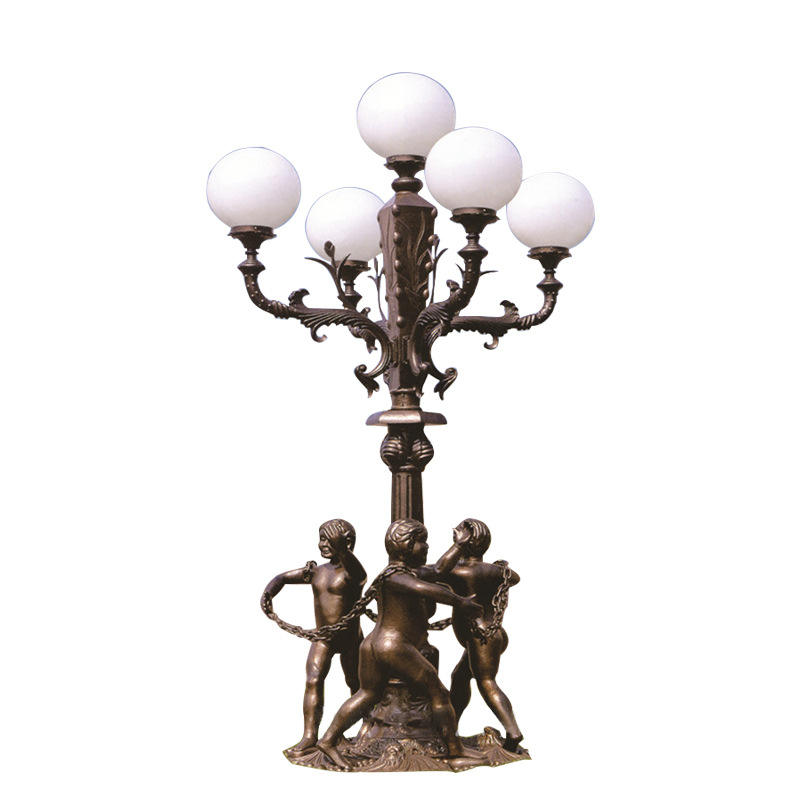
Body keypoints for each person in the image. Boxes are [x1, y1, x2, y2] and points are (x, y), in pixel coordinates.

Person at [316, 519, 486, 771]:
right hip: (392, 646)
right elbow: (425, 589)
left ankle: (328, 740)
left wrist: (459, 546)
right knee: (438, 693)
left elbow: (439, 569)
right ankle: (454, 750)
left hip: (372, 646)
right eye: (421, 542)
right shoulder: (397, 577)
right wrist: (461, 602)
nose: (426, 547)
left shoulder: (402, 572)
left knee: (367, 694)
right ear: (407, 546)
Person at [262, 519, 366, 755]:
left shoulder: (354, 573)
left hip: (350, 639)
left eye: (328, 539)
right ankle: (309, 736)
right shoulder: (317, 571)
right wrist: (269, 592)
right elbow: (282, 578)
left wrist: (343, 549)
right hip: (323, 638)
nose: (322, 544)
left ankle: (365, 730)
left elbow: (359, 573)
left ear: (346, 543)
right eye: (321, 539)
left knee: (357, 685)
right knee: (313, 680)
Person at [437, 518, 524, 751]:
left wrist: (456, 547)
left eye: (458, 534)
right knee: (459, 677)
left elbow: (436, 571)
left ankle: (513, 732)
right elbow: (514, 577)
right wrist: (497, 569)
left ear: (467, 541)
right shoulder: (495, 571)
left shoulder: (460, 572)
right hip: (491, 635)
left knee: (486, 682)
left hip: (481, 637)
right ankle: (450, 730)